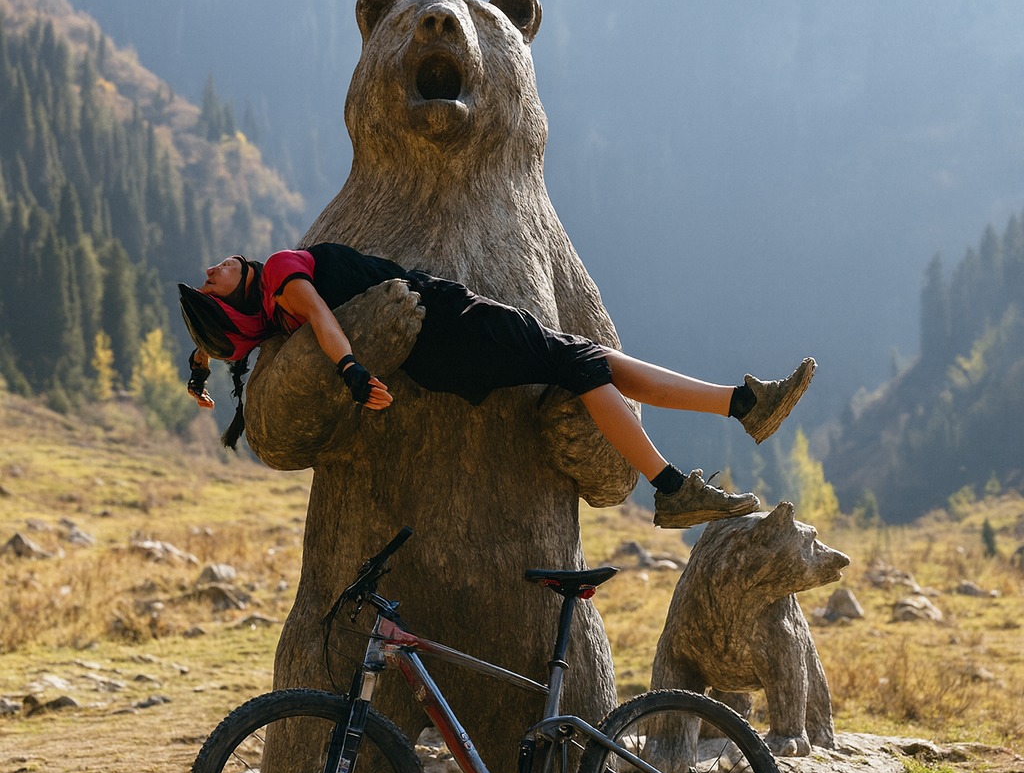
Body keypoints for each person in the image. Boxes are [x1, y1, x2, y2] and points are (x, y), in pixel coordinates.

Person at [178, 244, 816, 529]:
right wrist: (352, 373)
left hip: (443, 356)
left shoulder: (269, 320)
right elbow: (323, 320)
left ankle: (742, 406)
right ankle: (672, 487)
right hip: (448, 325)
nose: (213, 267)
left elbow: (226, 340)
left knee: (590, 358)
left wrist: (198, 371)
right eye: (212, 283)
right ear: (233, 304)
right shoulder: (286, 280)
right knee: (585, 365)